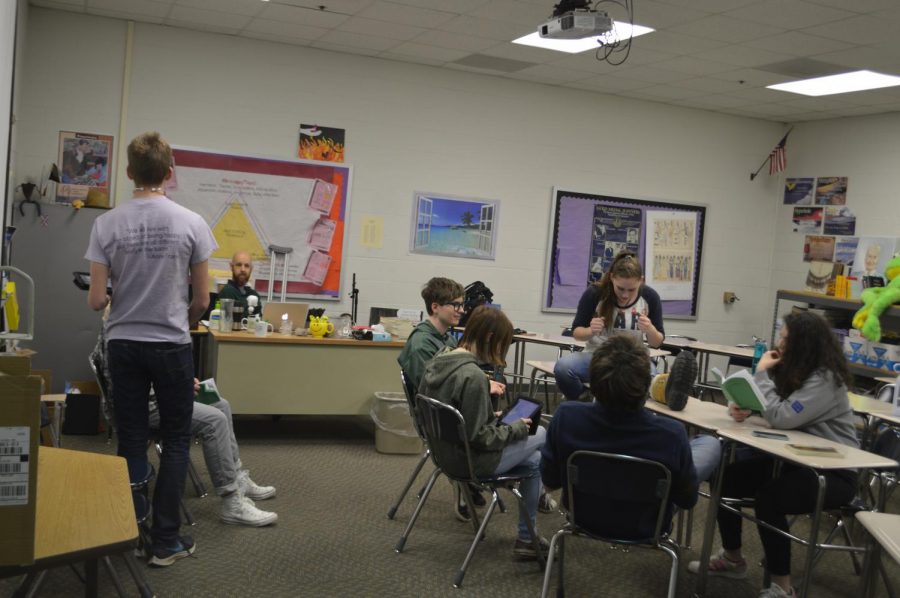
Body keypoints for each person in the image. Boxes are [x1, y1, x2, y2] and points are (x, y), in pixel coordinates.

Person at [85, 131, 216, 568]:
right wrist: (185, 320)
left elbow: (96, 300)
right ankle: (164, 542)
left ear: (128, 174)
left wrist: (122, 293)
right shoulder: (192, 223)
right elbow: (202, 300)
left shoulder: (106, 224)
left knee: (133, 439)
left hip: (123, 344)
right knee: (177, 440)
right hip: (171, 344)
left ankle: (129, 533)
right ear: (169, 174)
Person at [687, 311, 859, 598]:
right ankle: (733, 559)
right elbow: (766, 406)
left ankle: (782, 587)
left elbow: (780, 417)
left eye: (786, 338)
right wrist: (741, 407)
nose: (779, 342)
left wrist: (762, 372)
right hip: (793, 460)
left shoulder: (826, 379)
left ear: (804, 343)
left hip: (832, 472)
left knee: (770, 499)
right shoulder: (794, 369)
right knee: (724, 477)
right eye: (781, 335)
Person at [541, 335, 721, 532]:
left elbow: (550, 479)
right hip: (649, 523)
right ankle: (663, 390)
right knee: (709, 444)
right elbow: (687, 500)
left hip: (582, 516)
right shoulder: (671, 433)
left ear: (592, 378)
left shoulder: (566, 417)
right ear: (644, 386)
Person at [418, 305, 549, 560]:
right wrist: (517, 428)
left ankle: (527, 536)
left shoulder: (438, 359)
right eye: (502, 344)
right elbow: (480, 438)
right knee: (541, 433)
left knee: (533, 461)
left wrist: (493, 418)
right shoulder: (473, 377)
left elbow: (460, 420)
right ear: (490, 338)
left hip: (443, 455)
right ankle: (528, 533)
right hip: (471, 462)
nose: (501, 352)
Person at [397, 277, 511, 521]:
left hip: (449, 414)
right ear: (435, 306)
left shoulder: (445, 338)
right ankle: (469, 474)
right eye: (455, 305)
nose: (462, 310)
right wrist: (481, 387)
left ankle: (469, 477)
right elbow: (433, 392)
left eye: (462, 305)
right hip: (438, 422)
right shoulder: (421, 344)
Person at [554, 251, 665, 401]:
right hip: (597, 356)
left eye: (631, 290)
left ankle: (638, 411)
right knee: (562, 368)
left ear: (641, 280)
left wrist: (650, 329)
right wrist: (590, 330)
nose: (625, 295)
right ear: (612, 277)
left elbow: (657, 342)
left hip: (633, 359)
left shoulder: (650, 297)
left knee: (651, 380)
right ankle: (583, 402)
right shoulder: (595, 293)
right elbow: (577, 333)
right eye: (620, 288)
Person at [217, 250, 262, 317]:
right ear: (231, 267)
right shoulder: (227, 292)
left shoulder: (254, 294)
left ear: (251, 269)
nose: (243, 269)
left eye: (246, 266)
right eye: (239, 265)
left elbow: (259, 318)